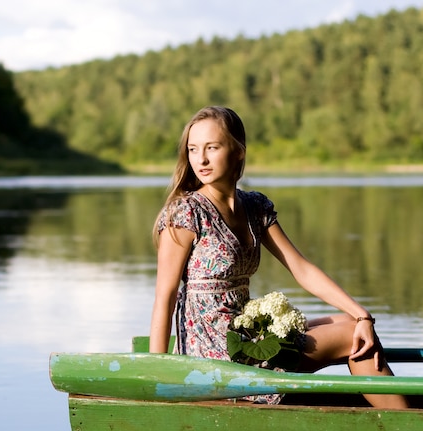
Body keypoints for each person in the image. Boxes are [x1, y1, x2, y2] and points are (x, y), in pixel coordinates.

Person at [149, 105, 408, 409]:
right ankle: (409, 427)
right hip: (217, 352)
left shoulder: (254, 207)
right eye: (193, 149)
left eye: (212, 148)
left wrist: (362, 313)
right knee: (353, 334)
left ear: (238, 151)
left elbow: (301, 268)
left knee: (353, 321)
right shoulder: (186, 213)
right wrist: (156, 375)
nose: (201, 159)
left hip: (246, 332)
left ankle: (398, 419)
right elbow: (164, 297)